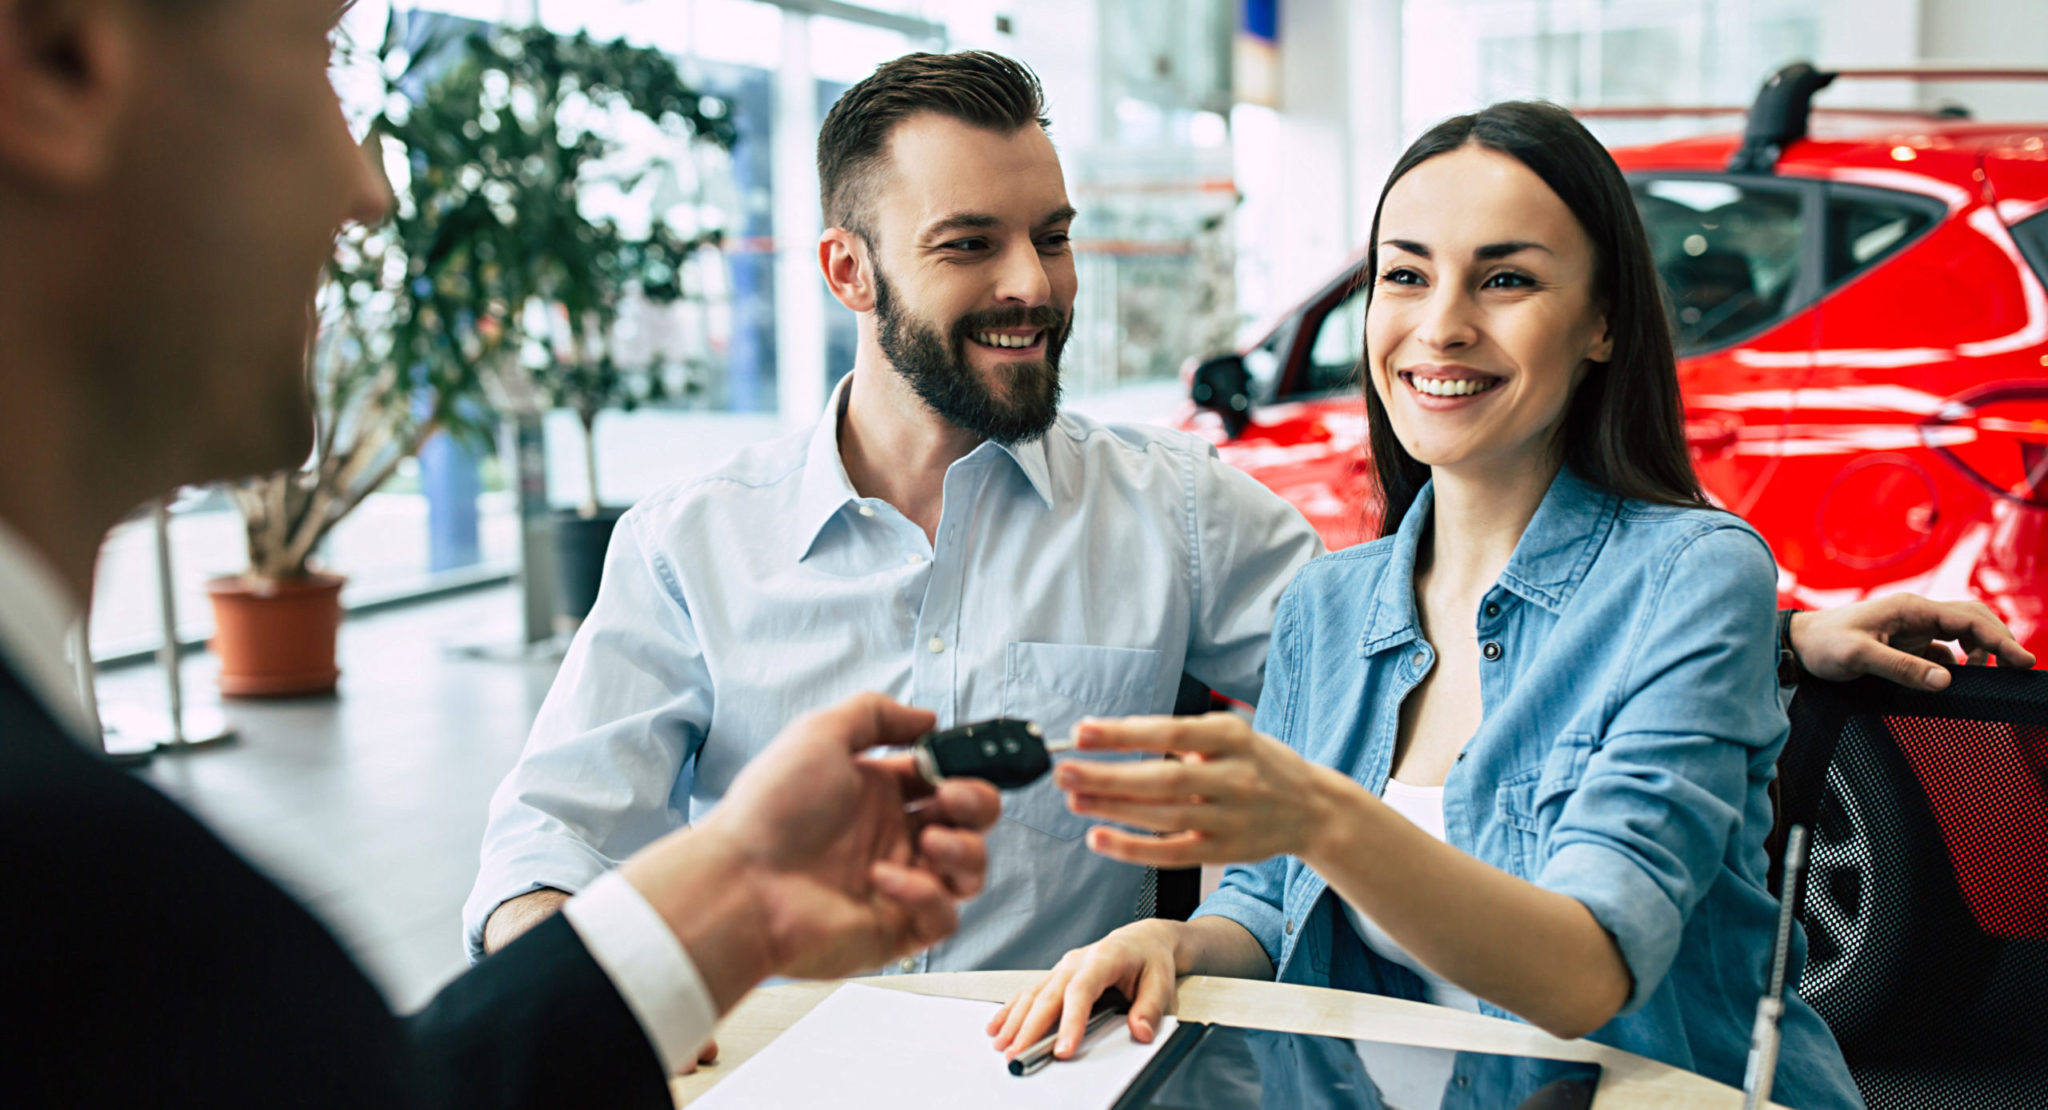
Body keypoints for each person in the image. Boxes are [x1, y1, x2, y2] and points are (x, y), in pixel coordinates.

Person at [0, 2, 999, 1106]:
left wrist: (735, 899)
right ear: (58, 60)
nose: (367, 191)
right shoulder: (92, 907)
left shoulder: (96, 911)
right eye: (316, 56)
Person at [989, 102, 2030, 1110]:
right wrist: (1170, 942)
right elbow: (1266, 906)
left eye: (1505, 279)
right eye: (1405, 275)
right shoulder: (1326, 603)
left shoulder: (1694, 575)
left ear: (1601, 323)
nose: (1440, 326)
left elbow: (1587, 973)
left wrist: (1322, 817)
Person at [463, 50, 1325, 976]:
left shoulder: (1175, 509)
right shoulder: (689, 546)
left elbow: (1389, 701)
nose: (1033, 285)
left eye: (1051, 238)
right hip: (780, 1049)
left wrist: (1233, 924)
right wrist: (584, 1010)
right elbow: (552, 845)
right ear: (850, 271)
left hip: (1054, 1050)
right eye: (969, 245)